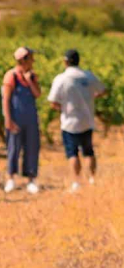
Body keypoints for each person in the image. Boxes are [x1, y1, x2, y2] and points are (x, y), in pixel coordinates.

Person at [48, 49, 107, 191]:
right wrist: (92, 97)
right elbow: (103, 91)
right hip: (87, 120)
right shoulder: (88, 76)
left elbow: (53, 102)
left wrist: (63, 107)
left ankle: (76, 182)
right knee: (89, 151)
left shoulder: (61, 79)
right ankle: (92, 179)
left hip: (69, 122)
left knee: (72, 153)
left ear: (65, 62)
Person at [2, 47, 42, 194]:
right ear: (23, 60)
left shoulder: (32, 77)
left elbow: (37, 94)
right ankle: (11, 178)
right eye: (31, 58)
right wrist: (8, 119)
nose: (33, 61)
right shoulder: (10, 76)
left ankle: (31, 179)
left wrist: (30, 81)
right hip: (16, 118)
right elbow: (5, 99)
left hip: (30, 118)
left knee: (32, 148)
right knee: (14, 148)